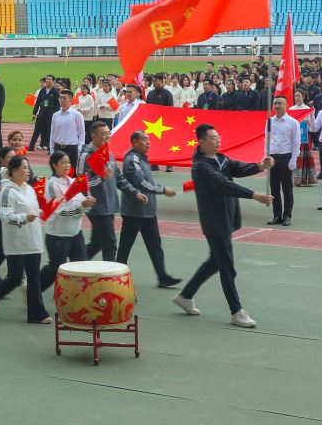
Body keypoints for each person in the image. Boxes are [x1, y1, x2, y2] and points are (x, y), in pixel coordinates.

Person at [174, 123, 273, 328]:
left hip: (226, 218)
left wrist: (259, 166)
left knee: (215, 262)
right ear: (201, 142)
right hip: (215, 222)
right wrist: (255, 196)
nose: (217, 140)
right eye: (213, 138)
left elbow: (237, 167)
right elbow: (224, 185)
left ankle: (185, 296)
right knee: (227, 267)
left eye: (218, 137)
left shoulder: (221, 158)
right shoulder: (201, 167)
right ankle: (236, 311)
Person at [0, 154, 51, 324]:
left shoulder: (30, 189)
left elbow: (33, 209)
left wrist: (43, 211)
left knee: (34, 278)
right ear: (14, 171)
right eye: (24, 168)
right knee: (15, 277)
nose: (28, 171)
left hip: (32, 239)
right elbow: (5, 216)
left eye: (28, 167)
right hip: (16, 241)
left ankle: (37, 314)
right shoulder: (7, 191)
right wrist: (24, 218)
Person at [115, 131, 182, 289]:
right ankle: (116, 275)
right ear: (135, 142)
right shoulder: (132, 159)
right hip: (134, 212)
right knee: (125, 246)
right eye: (144, 139)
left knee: (155, 245)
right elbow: (141, 182)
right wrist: (163, 190)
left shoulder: (141, 158)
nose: (148, 142)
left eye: (148, 139)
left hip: (147, 211)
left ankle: (162, 277)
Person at [39, 151, 94, 289]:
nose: (67, 165)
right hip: (58, 235)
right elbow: (60, 211)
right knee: (55, 269)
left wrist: (87, 202)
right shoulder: (52, 185)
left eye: (68, 162)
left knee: (82, 268)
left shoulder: (72, 181)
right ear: (54, 165)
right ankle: (31, 289)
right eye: (63, 163)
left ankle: (78, 297)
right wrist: (82, 206)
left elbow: (81, 203)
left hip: (76, 233)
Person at [82, 123, 120, 261]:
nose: (108, 136)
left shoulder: (108, 153)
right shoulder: (87, 155)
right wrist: (101, 178)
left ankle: (77, 262)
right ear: (93, 136)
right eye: (104, 134)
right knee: (110, 244)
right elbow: (82, 183)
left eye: (109, 133)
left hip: (109, 204)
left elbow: (118, 177)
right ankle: (110, 273)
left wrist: (135, 192)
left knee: (97, 243)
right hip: (97, 206)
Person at [264, 96, 298, 226]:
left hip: (286, 158)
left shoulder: (292, 122)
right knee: (274, 189)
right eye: (275, 103)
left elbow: (296, 143)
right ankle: (277, 215)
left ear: (286, 105)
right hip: (272, 158)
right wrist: (266, 156)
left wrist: (293, 160)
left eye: (280, 103)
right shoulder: (269, 121)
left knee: (287, 189)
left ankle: (287, 216)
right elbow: (267, 140)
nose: (277, 106)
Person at [50, 96, 86, 172]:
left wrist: (80, 147)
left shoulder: (77, 115)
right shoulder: (55, 115)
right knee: (57, 173)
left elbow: (81, 132)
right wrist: (51, 148)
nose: (61, 100)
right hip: (58, 148)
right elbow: (53, 133)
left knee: (71, 173)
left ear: (70, 100)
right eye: (60, 98)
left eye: (64, 98)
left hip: (71, 149)